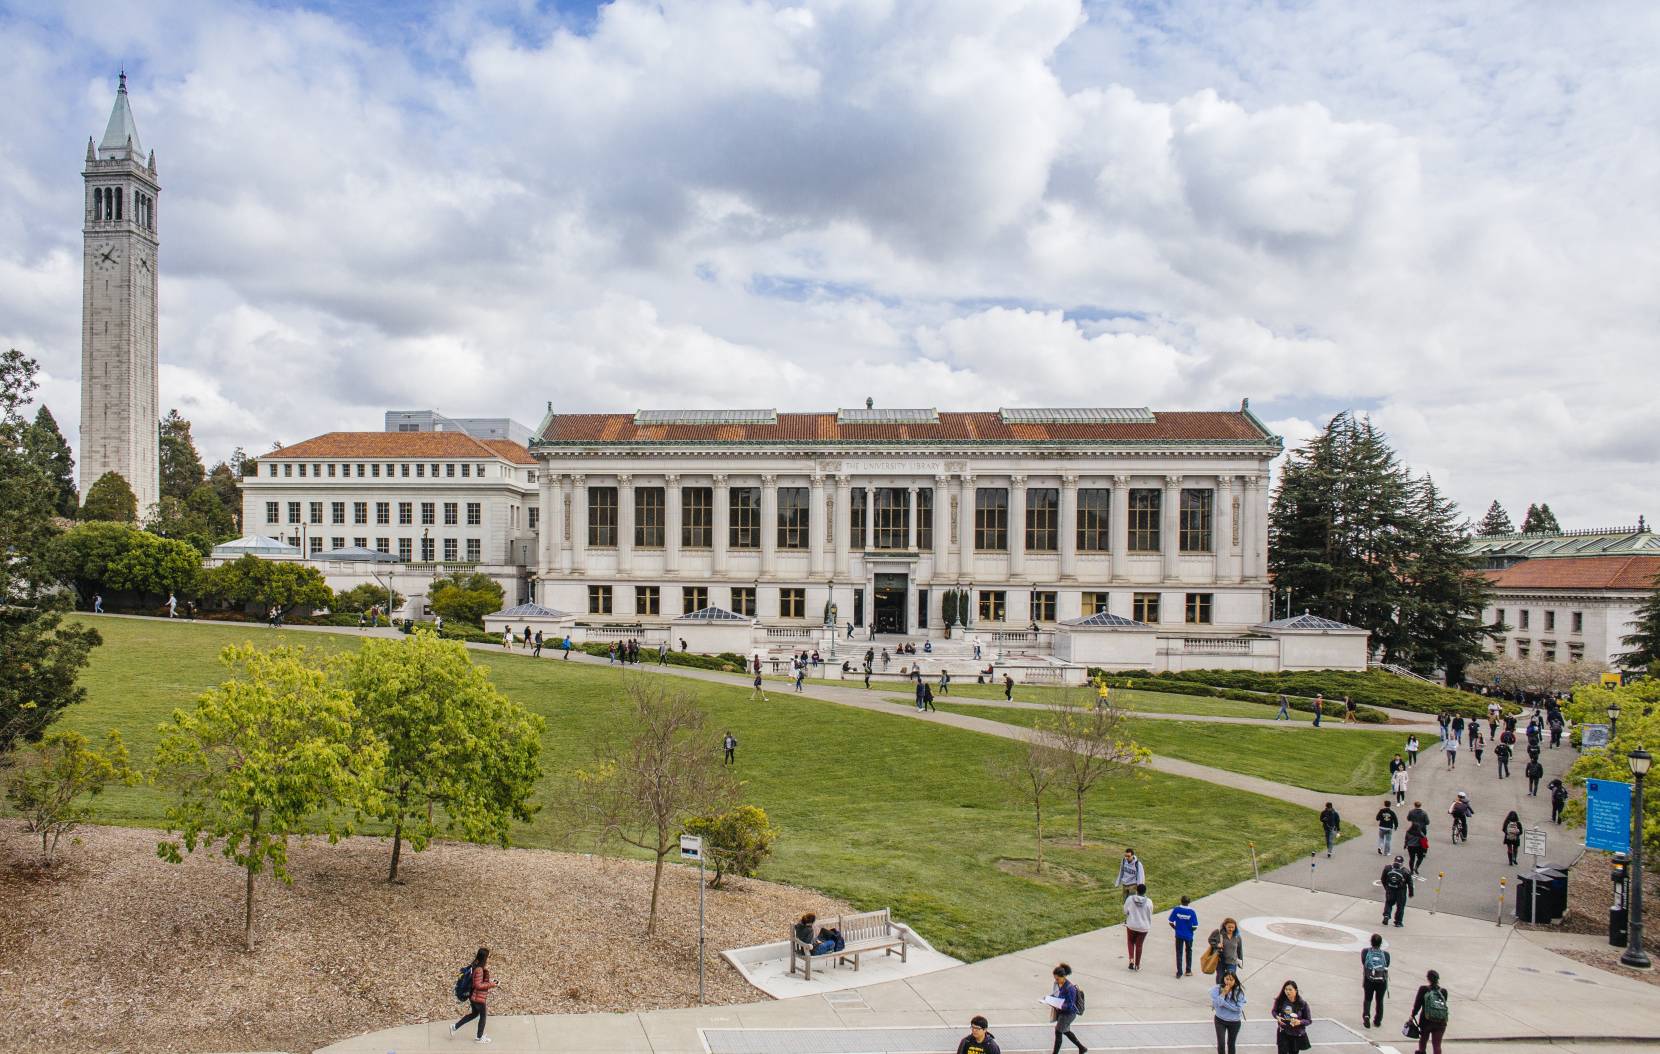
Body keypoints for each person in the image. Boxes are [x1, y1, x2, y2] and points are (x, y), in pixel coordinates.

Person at [451, 946, 498, 1043]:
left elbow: (477, 981)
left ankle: (454, 1027)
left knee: (474, 1014)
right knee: (483, 1016)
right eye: (487, 956)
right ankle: (479, 1038)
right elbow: (478, 985)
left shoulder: (474, 965)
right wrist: (492, 984)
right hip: (478, 997)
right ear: (484, 958)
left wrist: (489, 981)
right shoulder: (479, 969)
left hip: (473, 996)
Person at [1047, 963, 1087, 1054]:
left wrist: (1058, 1005)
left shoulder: (1070, 988)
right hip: (1064, 1013)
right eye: (1055, 978)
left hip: (1068, 1014)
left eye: (1057, 979)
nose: (1056, 981)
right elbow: (1058, 996)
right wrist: (1049, 999)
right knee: (1065, 1031)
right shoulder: (1061, 984)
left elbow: (1069, 1005)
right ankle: (1082, 1048)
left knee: (1058, 1032)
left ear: (1063, 976)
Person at [1409, 969, 1449, 1054]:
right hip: (1441, 1022)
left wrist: (1412, 1015)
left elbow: (1417, 1005)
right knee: (1437, 1045)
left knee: (1423, 1040)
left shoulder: (1423, 989)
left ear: (1428, 979)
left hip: (1426, 1020)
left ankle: (1421, 1052)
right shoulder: (1444, 991)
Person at [1270, 979, 1311, 1054]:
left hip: (1296, 1034)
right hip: (1283, 1032)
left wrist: (1299, 1022)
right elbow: (1274, 1011)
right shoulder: (1280, 1001)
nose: (1287, 991)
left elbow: (1309, 1020)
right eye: (1286, 989)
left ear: (1296, 990)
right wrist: (1277, 1017)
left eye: (1290, 989)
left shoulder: (1302, 1004)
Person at [1210, 970, 1246, 1054]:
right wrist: (1223, 993)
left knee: (1231, 1044)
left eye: (1231, 980)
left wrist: (1224, 1004)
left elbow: (1238, 1009)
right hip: (1220, 1020)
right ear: (1223, 979)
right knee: (1221, 1043)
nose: (1228, 982)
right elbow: (1216, 1004)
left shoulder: (1238, 992)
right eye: (1227, 979)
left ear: (1235, 981)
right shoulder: (1217, 989)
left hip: (1234, 1022)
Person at [1361, 932, 1390, 1029]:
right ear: (1381, 943)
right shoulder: (1386, 954)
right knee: (1379, 1000)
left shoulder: (1365, 952)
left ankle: (1366, 1015)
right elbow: (1387, 965)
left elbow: (1363, 962)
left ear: (1371, 942)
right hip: (1381, 981)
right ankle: (1378, 1020)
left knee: (1368, 998)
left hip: (1369, 979)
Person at [1123, 882, 1153, 970]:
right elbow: (1150, 912)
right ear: (1145, 891)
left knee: (1130, 941)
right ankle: (1137, 965)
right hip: (1144, 926)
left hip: (1132, 924)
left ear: (1137, 890)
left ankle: (1131, 959)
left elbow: (1125, 911)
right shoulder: (1149, 902)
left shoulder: (1130, 899)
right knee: (1139, 945)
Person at [1168, 894, 1198, 978]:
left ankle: (1179, 972)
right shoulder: (1192, 912)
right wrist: (1190, 930)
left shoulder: (1176, 910)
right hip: (1188, 936)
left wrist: (1176, 928)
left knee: (1179, 952)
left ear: (1181, 901)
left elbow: (1170, 921)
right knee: (1189, 952)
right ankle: (1188, 970)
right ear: (1189, 902)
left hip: (1179, 935)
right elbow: (1195, 926)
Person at [1381, 854, 1413, 926]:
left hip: (1390, 890)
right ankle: (1398, 922)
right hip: (1401, 892)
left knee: (1388, 903)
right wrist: (1411, 893)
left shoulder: (1387, 868)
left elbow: (1383, 879)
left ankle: (1386, 915)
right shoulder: (1406, 871)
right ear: (1402, 863)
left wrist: (1386, 888)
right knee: (1400, 906)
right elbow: (1410, 883)